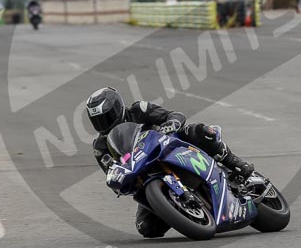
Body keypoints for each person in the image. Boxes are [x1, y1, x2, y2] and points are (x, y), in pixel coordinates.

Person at [85, 87, 255, 238]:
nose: (103, 124)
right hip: (143, 175)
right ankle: (180, 210)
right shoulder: (100, 147)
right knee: (147, 229)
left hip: (170, 149)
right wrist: (115, 174)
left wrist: (170, 124)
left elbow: (174, 115)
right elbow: (111, 172)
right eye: (98, 120)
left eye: (106, 117)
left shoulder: (139, 110)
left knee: (198, 131)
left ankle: (233, 162)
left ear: (118, 108)